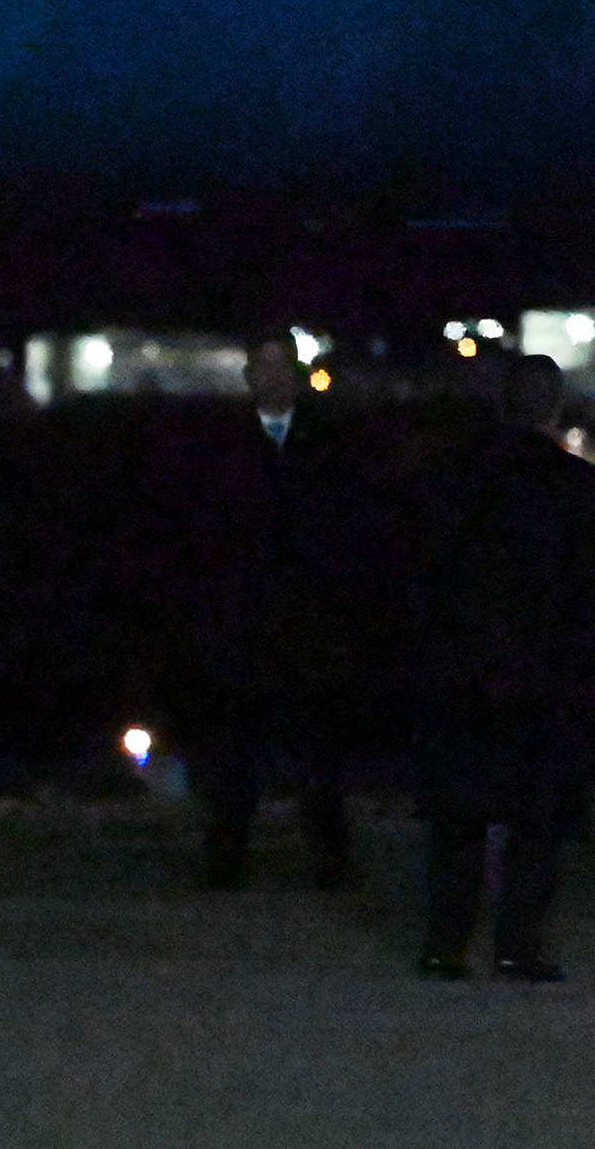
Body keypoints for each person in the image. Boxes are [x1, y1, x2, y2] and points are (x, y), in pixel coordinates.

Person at [409, 352, 595, 981]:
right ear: (553, 405)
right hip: (544, 674)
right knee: (536, 819)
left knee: (457, 821)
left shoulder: (446, 477)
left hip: (460, 670)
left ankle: (446, 945)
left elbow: (418, 578)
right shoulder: (578, 489)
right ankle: (517, 944)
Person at [151, 331, 360, 892]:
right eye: (261, 369)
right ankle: (228, 855)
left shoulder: (327, 445)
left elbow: (347, 532)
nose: (271, 379)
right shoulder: (219, 448)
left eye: (280, 368)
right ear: (248, 378)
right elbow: (198, 535)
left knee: (315, 752)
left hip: (307, 623)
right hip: (239, 622)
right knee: (234, 752)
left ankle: (330, 857)